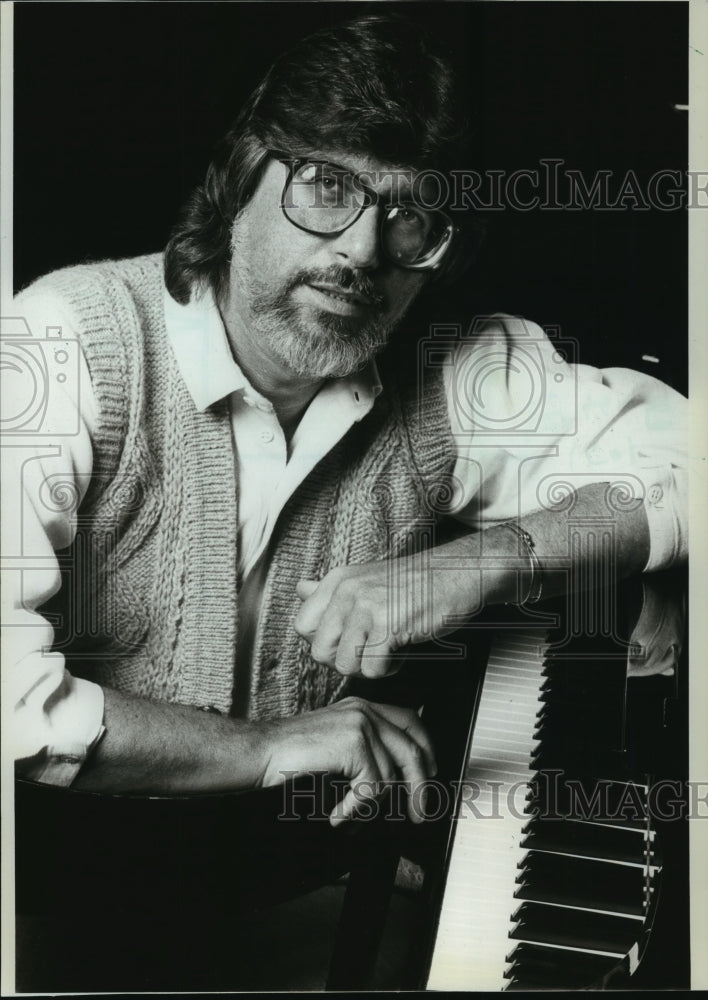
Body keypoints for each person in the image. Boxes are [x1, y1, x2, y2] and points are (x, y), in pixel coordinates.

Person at [2, 13, 687, 827]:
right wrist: (267, 747)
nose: (362, 251)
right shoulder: (62, 342)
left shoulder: (445, 368)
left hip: (304, 876)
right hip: (59, 891)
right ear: (240, 180)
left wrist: (492, 559)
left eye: (410, 218)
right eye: (327, 186)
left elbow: (694, 465)